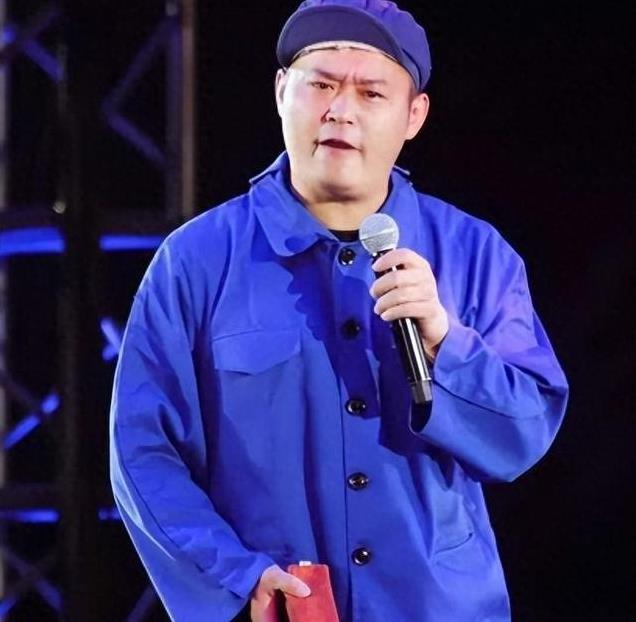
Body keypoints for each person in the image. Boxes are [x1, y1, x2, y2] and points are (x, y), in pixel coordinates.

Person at [109, 1, 568, 620]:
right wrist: (239, 577)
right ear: (281, 92)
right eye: (321, 84)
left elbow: (524, 433)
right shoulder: (196, 260)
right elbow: (144, 452)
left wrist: (444, 342)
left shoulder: (475, 254)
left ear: (414, 115)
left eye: (371, 93)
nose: (340, 110)